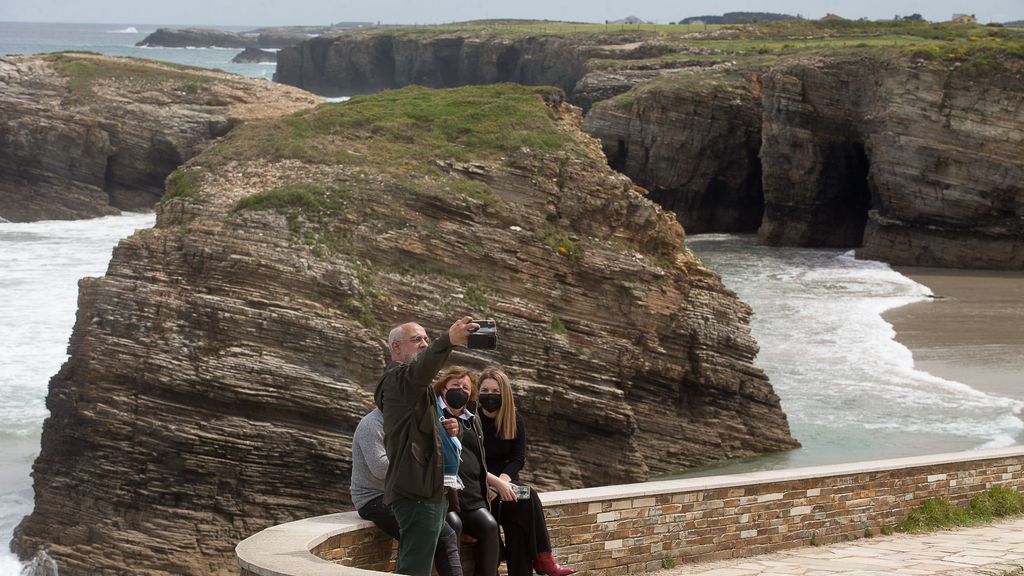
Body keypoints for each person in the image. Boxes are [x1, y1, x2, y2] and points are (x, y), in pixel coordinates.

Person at [374, 317, 478, 576]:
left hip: (428, 491)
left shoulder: (411, 386)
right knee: (414, 569)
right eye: (416, 339)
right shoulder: (398, 380)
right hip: (416, 492)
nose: (423, 343)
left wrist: (444, 431)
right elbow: (423, 368)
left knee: (416, 564)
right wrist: (448, 341)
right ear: (396, 347)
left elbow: (416, 431)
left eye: (426, 339)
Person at [477, 366, 573, 576]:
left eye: (495, 392)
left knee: (518, 528)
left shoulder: (513, 419)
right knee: (529, 496)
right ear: (478, 391)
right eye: (485, 390)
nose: (489, 396)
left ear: (504, 393)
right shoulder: (471, 420)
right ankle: (544, 558)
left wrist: (504, 482)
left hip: (506, 486)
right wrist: (494, 483)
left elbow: (518, 458)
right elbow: (471, 460)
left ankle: (541, 560)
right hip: (478, 485)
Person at [349, 407, 462, 576]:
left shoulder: (408, 421)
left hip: (408, 495)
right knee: (431, 539)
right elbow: (380, 468)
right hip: (374, 499)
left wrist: (453, 433)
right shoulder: (371, 424)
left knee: (446, 536)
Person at [433, 366, 509, 576]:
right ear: (443, 387)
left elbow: (478, 457)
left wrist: (489, 484)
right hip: (445, 497)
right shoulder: (433, 413)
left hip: (472, 497)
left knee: (490, 526)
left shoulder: (472, 418)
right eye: (455, 385)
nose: (461, 390)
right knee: (453, 525)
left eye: (466, 387)